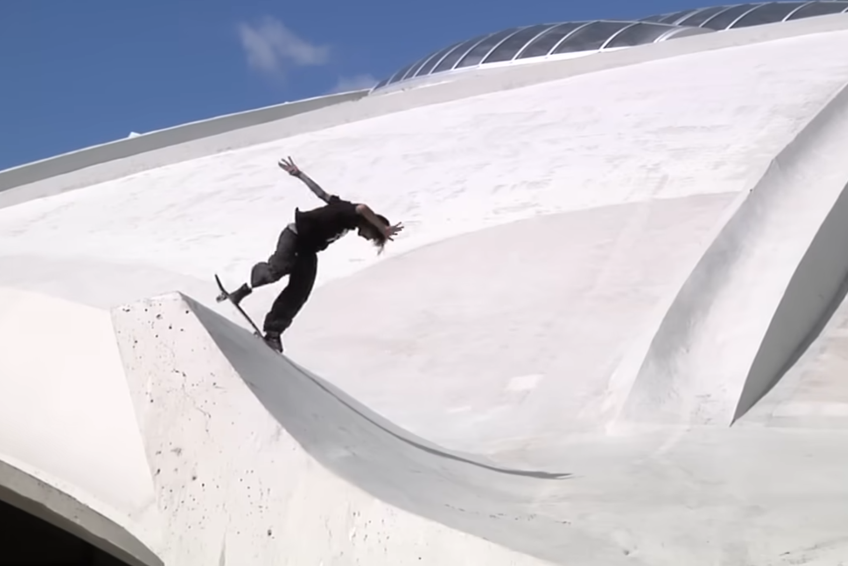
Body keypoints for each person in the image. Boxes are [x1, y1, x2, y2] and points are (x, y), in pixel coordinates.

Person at [220, 156, 404, 353]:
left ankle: (273, 333)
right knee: (276, 271)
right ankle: (241, 290)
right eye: (372, 235)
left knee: (301, 290)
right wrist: (383, 228)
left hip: (308, 250)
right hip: (294, 236)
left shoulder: (344, 214)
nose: (368, 238)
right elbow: (363, 208)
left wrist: (299, 174)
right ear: (370, 225)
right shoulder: (349, 213)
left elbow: (321, 193)